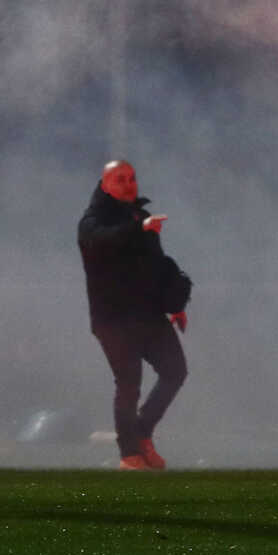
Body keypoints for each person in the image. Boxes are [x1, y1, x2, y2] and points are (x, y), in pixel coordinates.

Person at [77, 159, 192, 470]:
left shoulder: (141, 216)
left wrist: (176, 302)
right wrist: (138, 229)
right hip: (113, 319)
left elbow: (158, 265)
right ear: (105, 185)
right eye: (120, 179)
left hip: (148, 314)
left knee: (175, 371)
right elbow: (103, 241)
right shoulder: (92, 221)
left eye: (132, 178)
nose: (129, 184)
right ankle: (129, 454)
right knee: (129, 383)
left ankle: (141, 433)